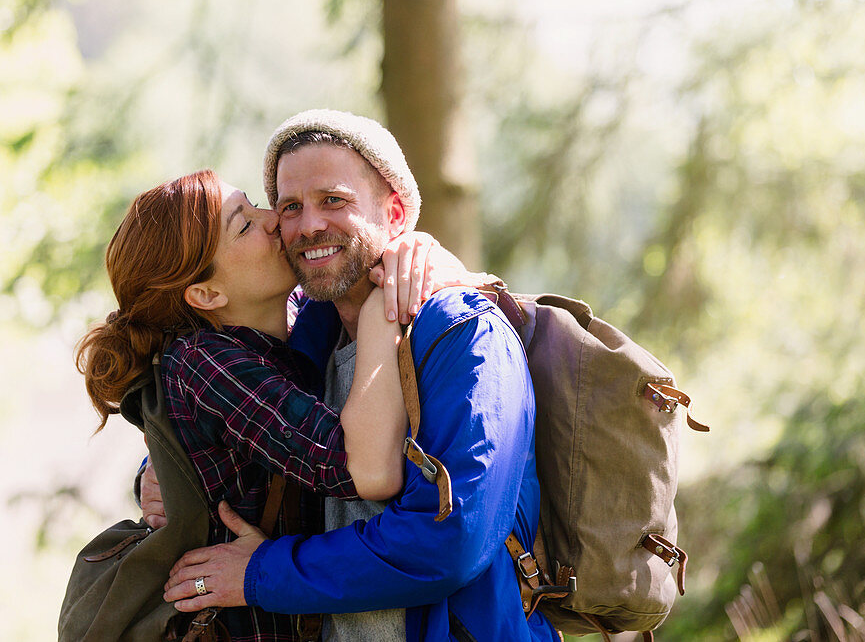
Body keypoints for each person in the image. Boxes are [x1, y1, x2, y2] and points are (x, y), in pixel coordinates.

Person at [160, 110, 557, 641]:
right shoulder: (309, 339)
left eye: (334, 200)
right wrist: (158, 470)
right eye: (290, 207)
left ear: (395, 213)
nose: (307, 225)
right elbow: (250, 409)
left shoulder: (463, 334)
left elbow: (450, 541)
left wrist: (260, 574)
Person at [76, 169, 445, 641]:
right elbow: (363, 470)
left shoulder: (294, 320)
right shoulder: (205, 362)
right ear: (207, 294)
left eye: (254, 205)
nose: (273, 220)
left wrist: (416, 253)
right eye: (244, 225)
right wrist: (382, 310)